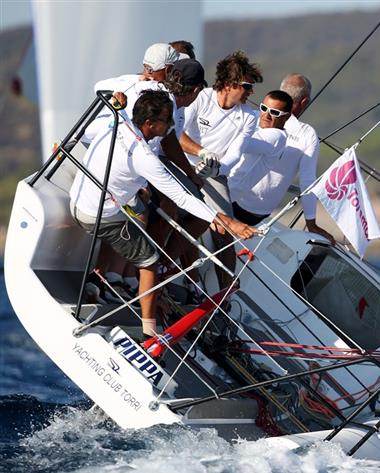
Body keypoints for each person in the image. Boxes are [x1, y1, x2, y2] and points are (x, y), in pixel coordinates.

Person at [69, 90, 257, 340]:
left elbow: (112, 114)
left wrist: (118, 101)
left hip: (80, 200)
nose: (171, 126)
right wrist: (223, 219)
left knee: (141, 213)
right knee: (150, 260)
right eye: (166, 121)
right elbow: (181, 197)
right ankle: (150, 332)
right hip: (98, 216)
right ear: (149, 124)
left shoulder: (118, 120)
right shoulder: (143, 156)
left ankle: (113, 282)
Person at [179, 51, 263, 286]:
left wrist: (216, 168)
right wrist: (202, 153)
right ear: (229, 84)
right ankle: (187, 277)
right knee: (182, 218)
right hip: (185, 164)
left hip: (215, 174)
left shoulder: (248, 116)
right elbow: (178, 134)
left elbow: (236, 152)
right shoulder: (201, 97)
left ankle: (226, 290)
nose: (250, 92)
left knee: (224, 231)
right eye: (247, 85)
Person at [275, 74, 335, 243]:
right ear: (304, 102)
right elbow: (307, 180)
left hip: (228, 198)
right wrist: (311, 223)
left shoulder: (258, 116)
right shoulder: (307, 134)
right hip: (256, 215)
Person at [217, 90, 292, 224]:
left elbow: (239, 143)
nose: (266, 116)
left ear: (286, 117)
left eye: (274, 113)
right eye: (264, 108)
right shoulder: (257, 117)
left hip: (228, 191)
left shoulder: (277, 137)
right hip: (216, 177)